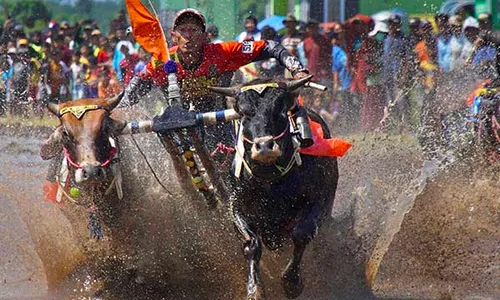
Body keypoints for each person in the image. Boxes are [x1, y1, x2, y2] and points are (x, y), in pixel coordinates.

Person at [122, 8, 311, 204]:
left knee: (236, 168)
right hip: (178, 126)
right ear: (173, 35)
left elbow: (270, 46)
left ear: (204, 35)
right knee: (177, 163)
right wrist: (117, 107)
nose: (188, 36)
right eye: (183, 30)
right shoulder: (161, 62)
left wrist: (297, 69)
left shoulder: (223, 52)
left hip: (220, 122)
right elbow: (132, 92)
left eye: (194, 30)